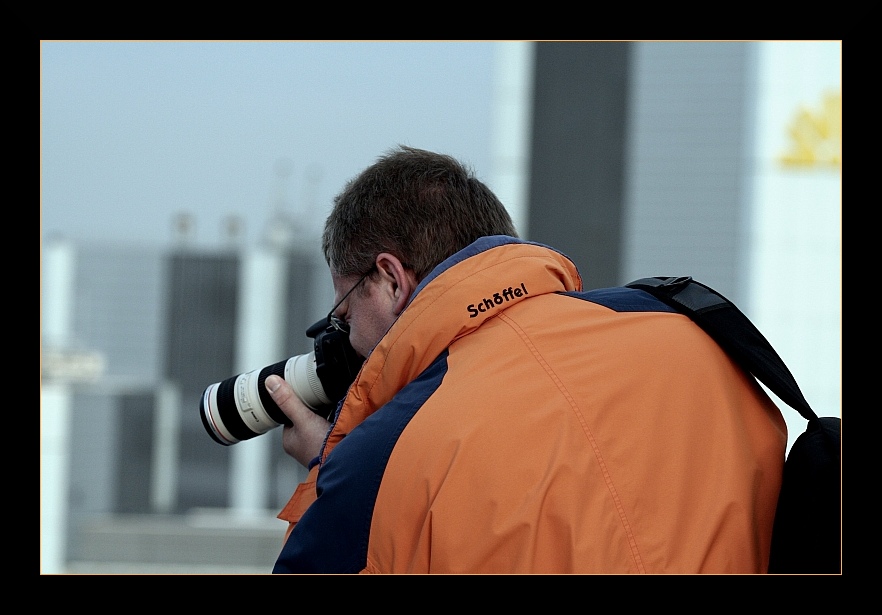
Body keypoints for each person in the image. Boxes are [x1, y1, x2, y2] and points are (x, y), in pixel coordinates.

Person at [264, 145, 787, 574]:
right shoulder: (690, 331)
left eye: (344, 312)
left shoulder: (382, 460)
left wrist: (328, 469)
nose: (348, 339)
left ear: (392, 280)